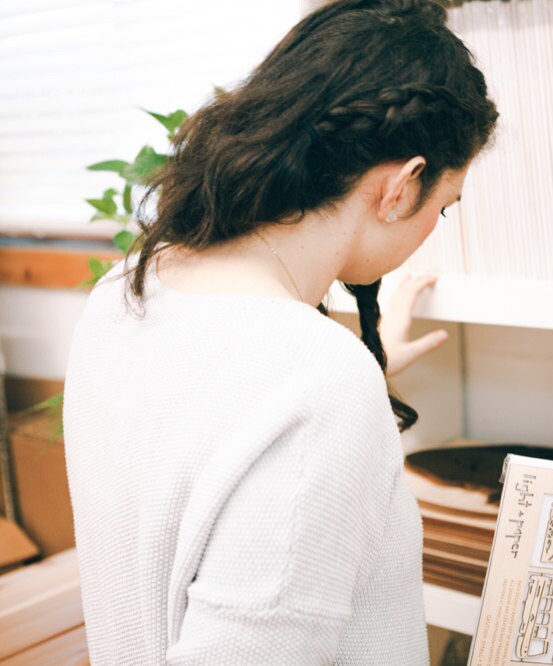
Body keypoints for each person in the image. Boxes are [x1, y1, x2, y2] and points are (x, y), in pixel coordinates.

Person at [62, 0, 497, 663]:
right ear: (401, 187)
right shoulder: (317, 380)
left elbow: (197, 454)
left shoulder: (122, 293)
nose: (432, 227)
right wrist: (344, 390)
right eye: (446, 206)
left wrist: (361, 384)